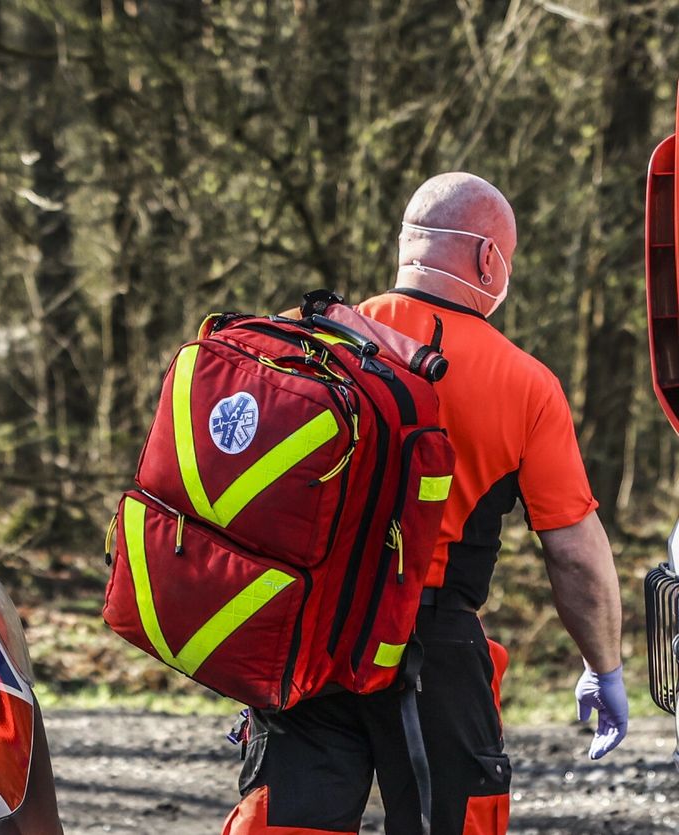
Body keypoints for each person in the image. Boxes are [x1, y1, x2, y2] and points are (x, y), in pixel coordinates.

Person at [225, 172, 627, 835]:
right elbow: (575, 554)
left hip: (307, 637)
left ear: (407, 245)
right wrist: (603, 666)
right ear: (489, 259)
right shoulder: (524, 383)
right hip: (432, 647)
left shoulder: (307, 339)